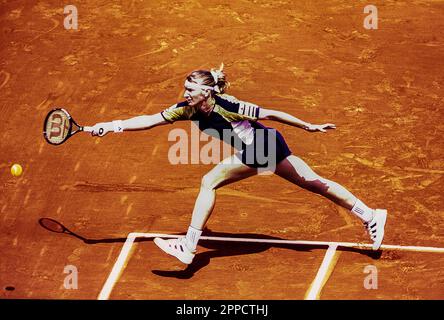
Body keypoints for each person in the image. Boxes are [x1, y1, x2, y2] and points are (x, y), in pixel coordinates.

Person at [91, 64, 387, 265]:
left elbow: (269, 113)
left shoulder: (229, 105)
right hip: (269, 145)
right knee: (314, 183)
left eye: (190, 90)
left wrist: (308, 126)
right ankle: (370, 215)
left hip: (263, 145)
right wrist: (111, 125)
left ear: (206, 92)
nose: (185, 94)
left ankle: (189, 245)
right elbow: (150, 120)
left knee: (210, 181)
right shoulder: (186, 109)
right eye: (185, 88)